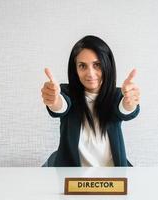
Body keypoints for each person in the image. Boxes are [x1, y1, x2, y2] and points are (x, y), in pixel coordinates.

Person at [41, 35, 140, 167]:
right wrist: (53, 100)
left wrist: (129, 103)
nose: (90, 73)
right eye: (82, 66)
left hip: (111, 178)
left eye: (97, 65)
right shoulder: (66, 92)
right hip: (74, 180)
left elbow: (125, 109)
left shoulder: (116, 95)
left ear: (107, 65)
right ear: (75, 69)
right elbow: (60, 105)